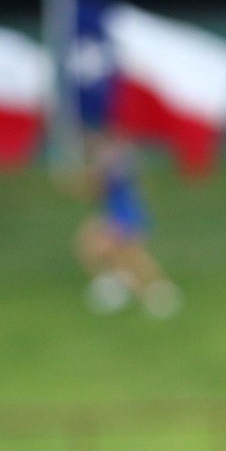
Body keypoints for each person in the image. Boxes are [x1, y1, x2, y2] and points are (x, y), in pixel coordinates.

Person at [74, 134, 181, 318]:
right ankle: (143, 291)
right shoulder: (120, 156)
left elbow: (95, 188)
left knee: (123, 255)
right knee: (116, 254)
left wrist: (77, 183)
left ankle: (151, 292)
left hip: (123, 216)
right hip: (119, 214)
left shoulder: (114, 159)